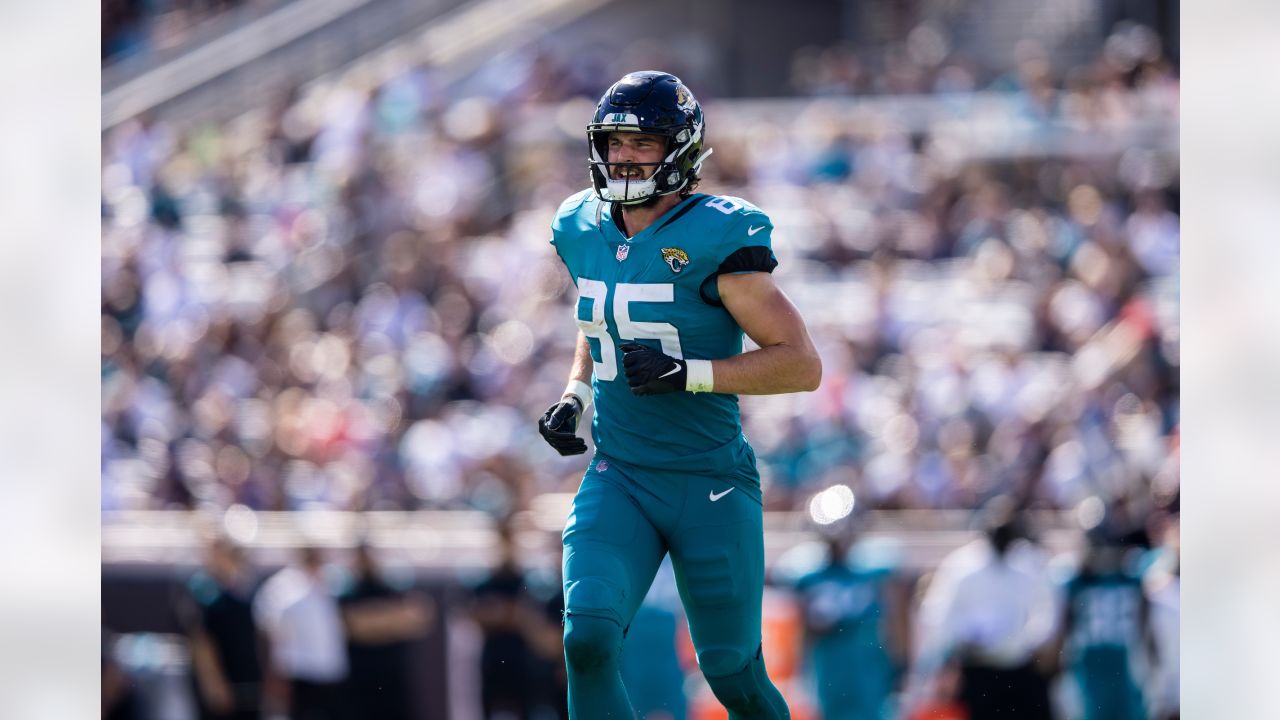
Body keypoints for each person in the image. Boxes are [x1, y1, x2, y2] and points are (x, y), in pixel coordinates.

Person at [537, 70, 822, 720]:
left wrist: (690, 372)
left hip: (709, 481)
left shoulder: (717, 235)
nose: (624, 157)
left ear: (682, 150)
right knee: (587, 640)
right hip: (621, 473)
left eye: (643, 143)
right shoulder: (579, 224)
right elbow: (603, 319)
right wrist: (576, 393)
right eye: (615, 143)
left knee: (733, 674)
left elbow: (802, 365)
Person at [909, 497, 1060, 720]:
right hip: (977, 670)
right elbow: (938, 614)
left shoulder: (1029, 563)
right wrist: (967, 636)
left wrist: (1029, 639)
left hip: (1021, 667)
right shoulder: (962, 566)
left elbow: (1047, 611)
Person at [790, 519, 909, 720]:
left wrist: (900, 658)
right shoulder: (807, 574)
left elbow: (895, 620)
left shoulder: (873, 570)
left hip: (867, 659)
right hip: (829, 659)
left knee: (872, 711)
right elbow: (803, 629)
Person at [1056, 523, 1155, 720]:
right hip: (1093, 665)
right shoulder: (1077, 582)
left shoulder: (1132, 580)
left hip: (1121, 664)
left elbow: (1146, 627)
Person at [338, 542, 434, 720]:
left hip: (392, 675)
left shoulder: (393, 587)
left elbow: (418, 619)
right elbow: (352, 625)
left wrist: (370, 619)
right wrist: (389, 620)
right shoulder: (347, 592)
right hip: (360, 677)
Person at [253, 546, 350, 720]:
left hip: (329, 673)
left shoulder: (330, 580)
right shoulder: (283, 586)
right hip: (299, 674)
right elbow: (268, 631)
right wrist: (274, 673)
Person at [180, 536, 264, 720]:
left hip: (248, 680)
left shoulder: (247, 587)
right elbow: (201, 641)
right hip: (222, 682)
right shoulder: (203, 590)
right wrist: (213, 682)